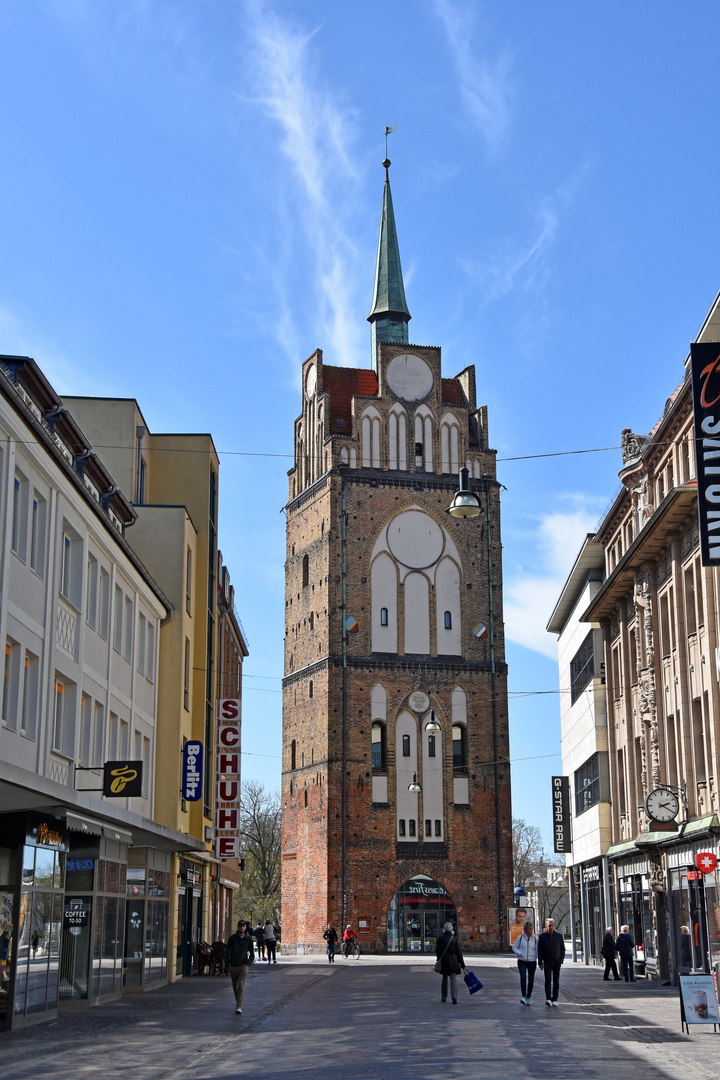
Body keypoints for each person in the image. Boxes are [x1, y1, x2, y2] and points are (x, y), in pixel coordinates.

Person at [225, 919, 255, 1015]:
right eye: (240, 926)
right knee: (235, 986)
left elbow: (252, 954)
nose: (242, 927)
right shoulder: (232, 938)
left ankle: (239, 1006)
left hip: (243, 965)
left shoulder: (248, 939)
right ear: (238, 927)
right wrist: (227, 964)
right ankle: (238, 1002)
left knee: (241, 985)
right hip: (233, 965)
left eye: (243, 926)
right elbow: (227, 951)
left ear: (245, 927)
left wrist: (248, 963)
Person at [537, 917, 565, 1006]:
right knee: (548, 980)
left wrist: (561, 960)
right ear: (546, 926)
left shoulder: (559, 936)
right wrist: (540, 962)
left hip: (556, 962)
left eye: (552, 925)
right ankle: (548, 998)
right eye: (549, 926)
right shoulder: (543, 937)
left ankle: (554, 999)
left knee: (556, 981)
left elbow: (562, 949)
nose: (551, 927)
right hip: (547, 962)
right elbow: (540, 950)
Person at [435, 921, 465, 1004]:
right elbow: (459, 952)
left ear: (444, 929)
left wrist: (439, 958)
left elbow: (438, 951)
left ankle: (444, 997)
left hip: (444, 960)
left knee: (444, 979)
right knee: (453, 979)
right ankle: (454, 997)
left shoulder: (441, 938)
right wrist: (462, 964)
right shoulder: (454, 939)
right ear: (451, 929)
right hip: (454, 960)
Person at [512, 919, 537, 1004]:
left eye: (531, 928)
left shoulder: (535, 938)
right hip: (522, 960)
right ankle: (523, 996)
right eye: (528, 928)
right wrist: (519, 954)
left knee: (531, 979)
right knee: (523, 977)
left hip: (532, 961)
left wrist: (538, 958)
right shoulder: (521, 937)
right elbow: (514, 947)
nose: (530, 930)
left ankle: (528, 997)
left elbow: (538, 950)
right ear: (525, 929)